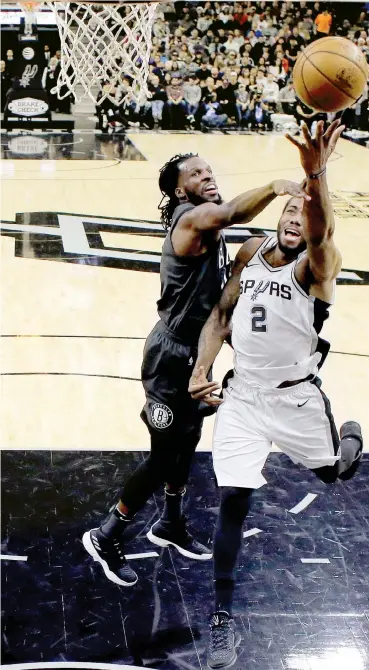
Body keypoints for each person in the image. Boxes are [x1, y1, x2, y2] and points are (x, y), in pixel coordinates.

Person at [82, 153, 310, 587]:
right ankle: (107, 532)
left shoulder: (205, 225)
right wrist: (274, 187)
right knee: (163, 454)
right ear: (179, 190)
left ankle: (170, 523)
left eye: (209, 170)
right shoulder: (191, 220)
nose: (207, 176)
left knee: (186, 442)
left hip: (194, 352)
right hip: (169, 357)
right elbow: (228, 212)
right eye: (196, 174)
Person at [189, 121, 363, 668]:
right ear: (277, 217)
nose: (295, 218)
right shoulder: (249, 252)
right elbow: (220, 314)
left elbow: (321, 233)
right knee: (233, 500)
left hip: (295, 400)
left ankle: (349, 442)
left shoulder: (318, 267)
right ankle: (222, 618)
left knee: (333, 472)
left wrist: (316, 175)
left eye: (303, 213)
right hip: (243, 398)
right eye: (289, 210)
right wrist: (202, 367)